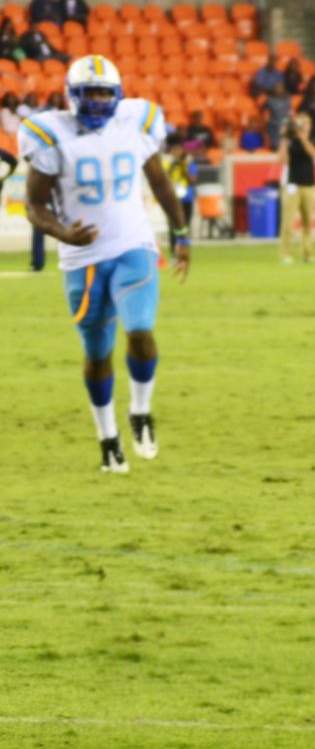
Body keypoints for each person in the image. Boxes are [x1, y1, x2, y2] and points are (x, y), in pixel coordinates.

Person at [18, 55, 191, 473]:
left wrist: (181, 234)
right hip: (83, 259)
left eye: (103, 93)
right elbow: (34, 204)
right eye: (89, 93)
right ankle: (107, 436)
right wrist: (62, 233)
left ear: (117, 95)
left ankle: (141, 410)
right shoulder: (51, 133)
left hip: (134, 246)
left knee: (140, 330)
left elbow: (159, 180)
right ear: (72, 96)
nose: (97, 101)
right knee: (97, 355)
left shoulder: (135, 122)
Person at [278, 112, 315, 265]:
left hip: (309, 185)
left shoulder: (313, 139)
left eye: (307, 123)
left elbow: (314, 153)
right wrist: (283, 139)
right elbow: (282, 159)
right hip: (292, 185)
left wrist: (303, 138)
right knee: (288, 223)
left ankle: (307, 254)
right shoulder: (291, 141)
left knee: (308, 222)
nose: (305, 127)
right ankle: (286, 254)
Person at [163, 132, 197, 254]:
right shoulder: (166, 161)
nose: (177, 151)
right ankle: (173, 253)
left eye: (179, 148)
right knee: (172, 227)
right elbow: (162, 179)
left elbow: (193, 180)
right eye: (174, 149)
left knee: (185, 226)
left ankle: (184, 251)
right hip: (172, 199)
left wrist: (182, 165)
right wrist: (173, 164)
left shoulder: (188, 161)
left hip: (187, 198)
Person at [263, 81, 291, 151]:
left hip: (286, 126)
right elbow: (263, 110)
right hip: (274, 127)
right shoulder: (270, 100)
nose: (279, 89)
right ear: (274, 89)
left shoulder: (288, 99)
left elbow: (289, 112)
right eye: (277, 87)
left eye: (281, 87)